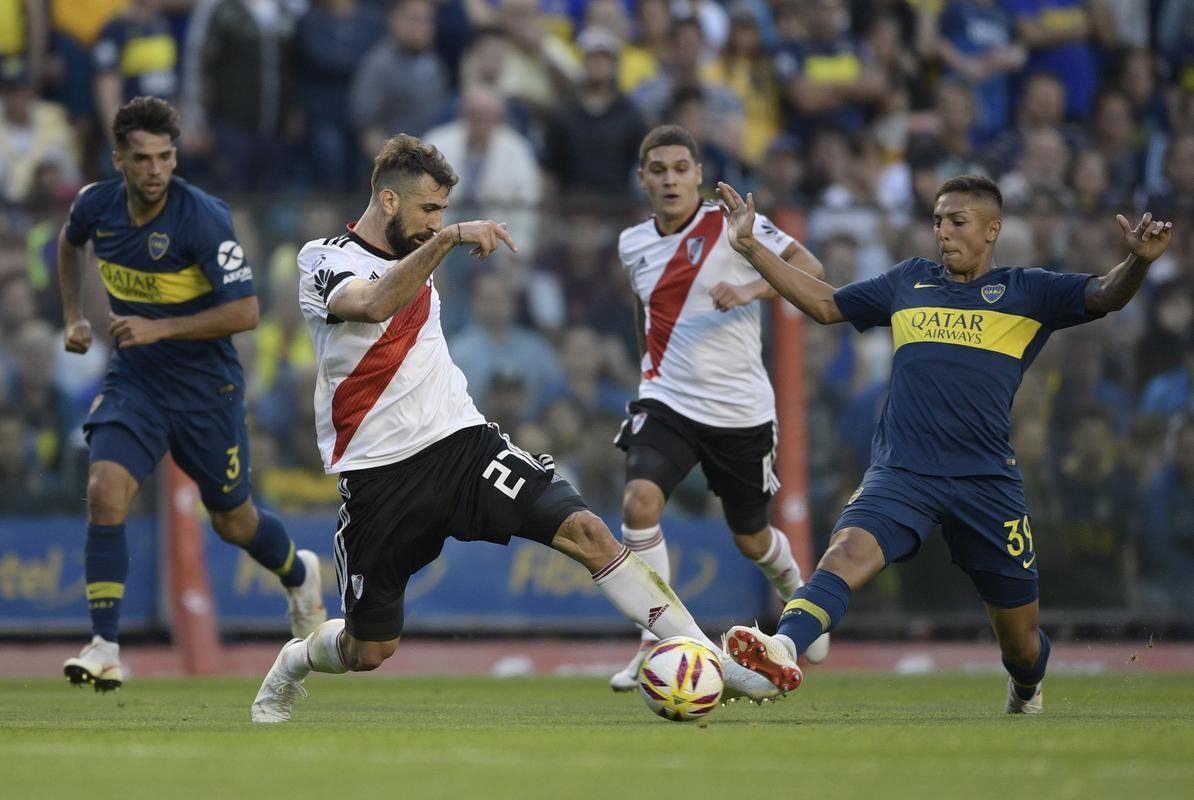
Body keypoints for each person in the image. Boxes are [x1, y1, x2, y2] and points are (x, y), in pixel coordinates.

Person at [250, 133, 780, 723]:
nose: (437, 222)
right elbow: (373, 304)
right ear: (389, 201)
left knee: (589, 531)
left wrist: (438, 238)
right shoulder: (322, 259)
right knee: (368, 649)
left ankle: (706, 658)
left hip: (462, 445)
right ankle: (293, 662)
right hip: (379, 476)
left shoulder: (416, 253)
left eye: (444, 213)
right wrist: (448, 240)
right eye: (429, 209)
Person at [716, 174, 1174, 713]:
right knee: (844, 554)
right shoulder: (908, 281)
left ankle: (1025, 688)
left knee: (1022, 646)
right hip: (903, 472)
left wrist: (1139, 261)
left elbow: (1103, 294)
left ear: (992, 229)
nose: (943, 232)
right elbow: (824, 304)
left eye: (957, 221)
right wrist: (750, 248)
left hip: (986, 482)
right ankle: (781, 651)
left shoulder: (1029, 290)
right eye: (937, 221)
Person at [57, 97, 326, 692]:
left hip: (207, 390)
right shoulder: (95, 206)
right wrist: (74, 316)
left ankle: (297, 571)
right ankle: (104, 645)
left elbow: (247, 311)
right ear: (119, 160)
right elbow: (69, 242)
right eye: (143, 158)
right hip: (137, 382)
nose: (156, 169)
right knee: (104, 490)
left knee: (233, 521)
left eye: (166, 157)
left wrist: (161, 327)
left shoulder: (202, 216)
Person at [606, 124, 830, 693]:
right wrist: (647, 371)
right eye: (659, 170)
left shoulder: (734, 226)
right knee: (638, 501)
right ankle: (657, 639)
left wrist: (752, 286)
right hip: (668, 401)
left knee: (751, 539)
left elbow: (813, 269)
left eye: (681, 167)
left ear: (698, 174)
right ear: (643, 179)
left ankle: (795, 586)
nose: (671, 178)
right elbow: (643, 310)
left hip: (739, 411)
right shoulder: (632, 242)